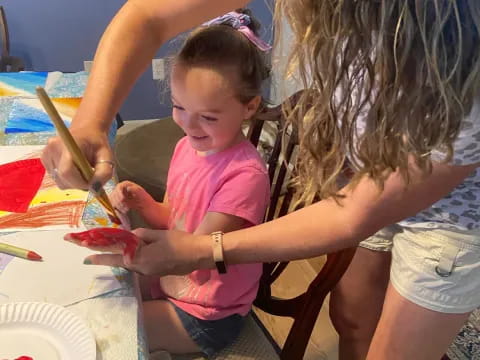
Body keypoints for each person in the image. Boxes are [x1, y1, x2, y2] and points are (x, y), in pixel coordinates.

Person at [43, 1, 480, 359]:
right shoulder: (192, 150)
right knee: (352, 317)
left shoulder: (465, 75)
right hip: (369, 169)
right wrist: (89, 122)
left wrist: (201, 249)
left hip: (452, 216)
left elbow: (356, 215)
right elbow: (149, 16)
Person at [69, 10, 271, 357]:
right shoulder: (187, 147)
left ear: (249, 107)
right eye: (179, 107)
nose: (189, 126)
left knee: (110, 332)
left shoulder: (244, 177)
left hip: (209, 314)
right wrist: (145, 203)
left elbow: (193, 253)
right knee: (99, 299)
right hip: (174, 284)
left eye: (208, 116)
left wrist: (129, 249)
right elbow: (176, 220)